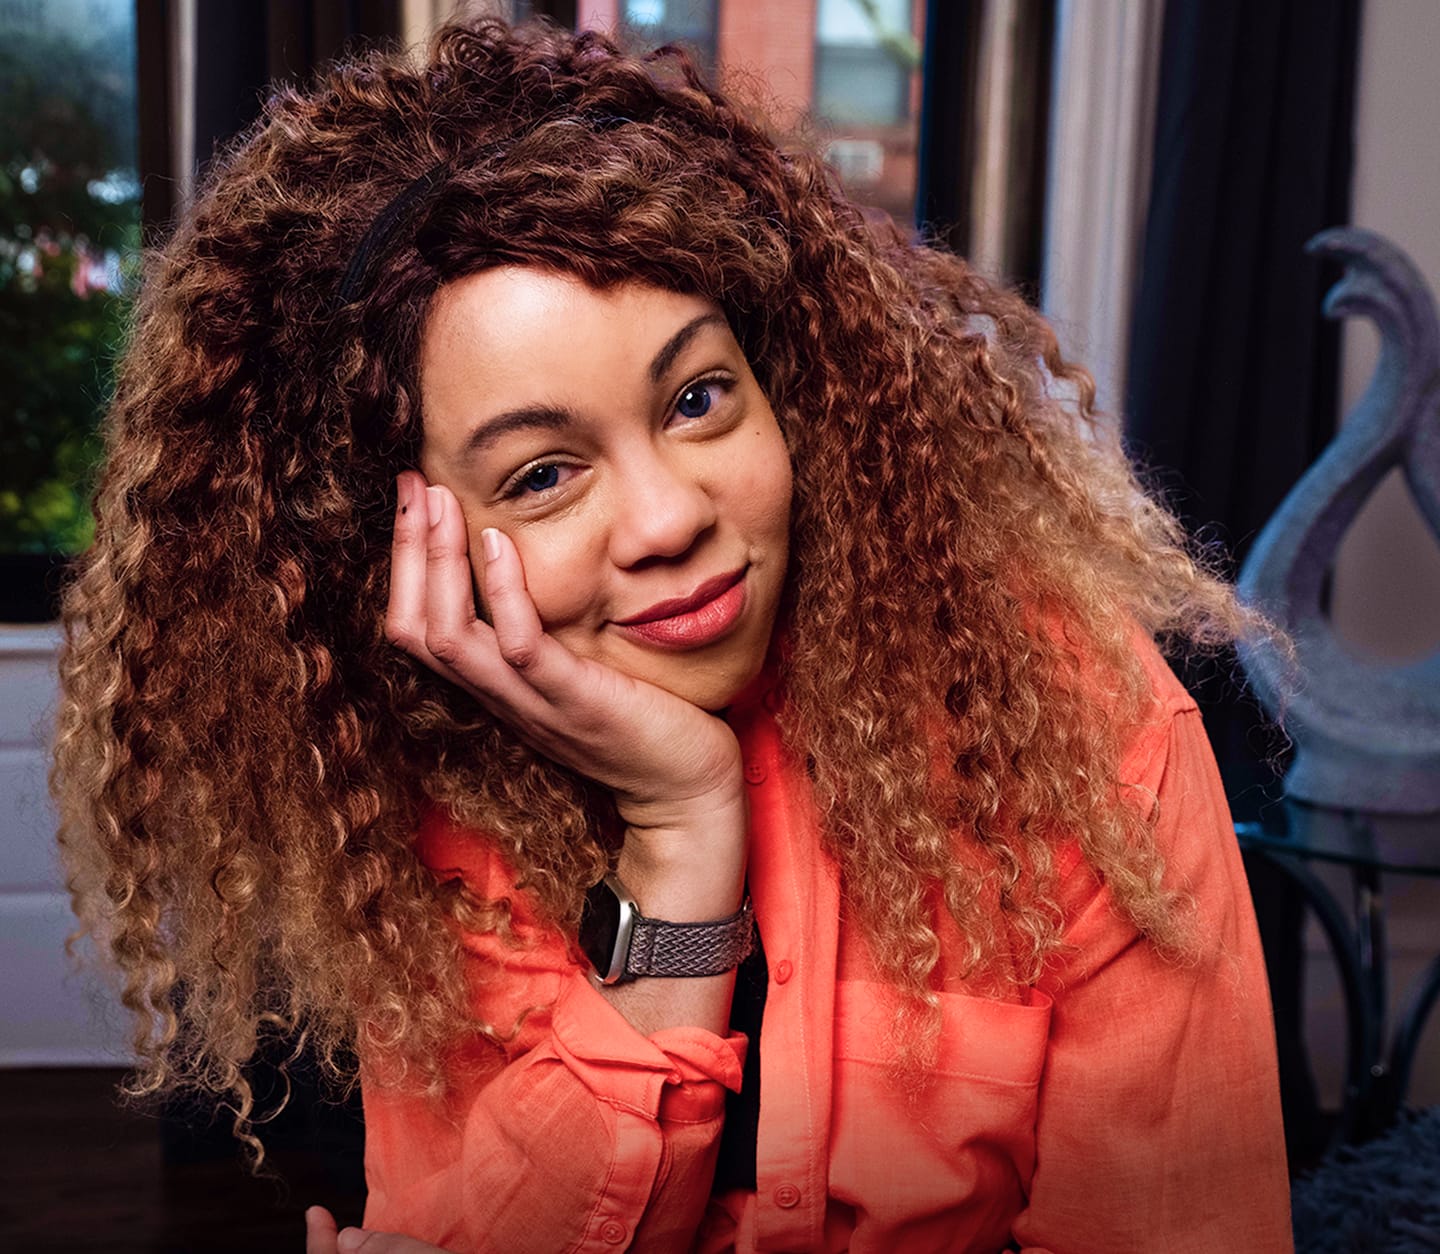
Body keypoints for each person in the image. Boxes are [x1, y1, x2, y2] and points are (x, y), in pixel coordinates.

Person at [53, 16, 1293, 1254]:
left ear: (784, 386)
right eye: (544, 475)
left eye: (698, 398)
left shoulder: (1065, 718)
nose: (669, 518)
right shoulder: (421, 800)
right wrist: (683, 832)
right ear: (409, 541)